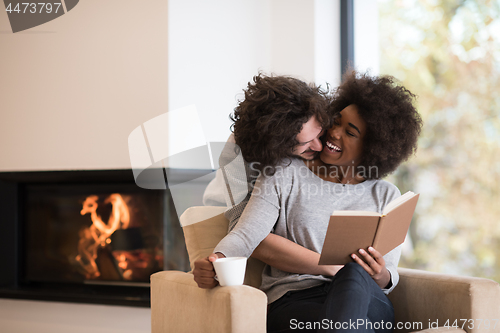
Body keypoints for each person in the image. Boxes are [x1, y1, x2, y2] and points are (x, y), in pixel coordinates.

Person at [194, 71, 422, 333]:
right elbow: (245, 233)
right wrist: (217, 259)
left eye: (350, 132)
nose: (332, 134)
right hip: (297, 300)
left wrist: (380, 274)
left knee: (353, 276)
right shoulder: (282, 171)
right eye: (335, 122)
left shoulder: (386, 195)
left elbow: (389, 274)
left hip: (367, 301)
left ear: (373, 146)